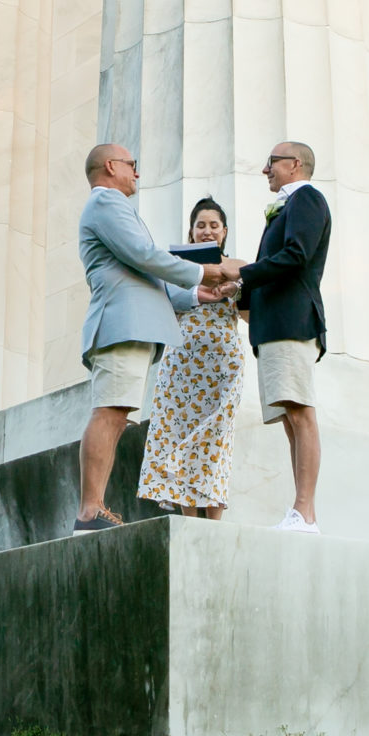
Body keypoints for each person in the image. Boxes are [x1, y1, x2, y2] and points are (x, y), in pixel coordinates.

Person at [73, 143, 238, 534]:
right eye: (132, 165)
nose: (137, 173)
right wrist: (203, 273)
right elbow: (144, 255)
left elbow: (146, 275)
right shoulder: (106, 203)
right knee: (109, 412)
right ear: (111, 166)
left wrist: (198, 295)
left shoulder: (114, 207)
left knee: (117, 415)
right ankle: (89, 510)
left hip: (132, 325)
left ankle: (96, 507)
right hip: (120, 322)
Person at [219, 141, 328, 534]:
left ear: (294, 164)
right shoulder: (287, 205)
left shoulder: (307, 198)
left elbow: (297, 255)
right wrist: (240, 292)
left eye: (272, 162)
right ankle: (300, 510)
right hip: (274, 327)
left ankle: (306, 513)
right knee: (289, 418)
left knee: (300, 412)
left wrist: (242, 273)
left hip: (292, 322)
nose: (266, 169)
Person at [138, 197, 244, 518]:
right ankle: (189, 522)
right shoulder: (175, 269)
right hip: (181, 366)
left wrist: (238, 286)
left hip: (223, 365)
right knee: (179, 436)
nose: (207, 231)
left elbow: (250, 314)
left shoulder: (238, 267)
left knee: (215, 441)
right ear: (191, 232)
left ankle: (213, 524)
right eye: (201, 225)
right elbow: (160, 306)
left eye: (214, 225)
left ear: (224, 231)